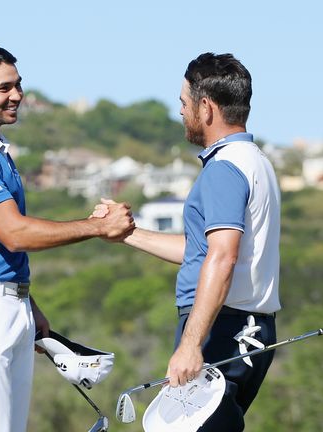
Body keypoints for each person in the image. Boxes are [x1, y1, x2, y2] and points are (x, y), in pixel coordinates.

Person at [0, 43, 134, 432]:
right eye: (5, 88)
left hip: (7, 304)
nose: (18, 95)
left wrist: (28, 302)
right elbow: (15, 233)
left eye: (18, 85)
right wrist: (97, 227)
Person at [97, 52, 281, 431]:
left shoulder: (225, 168)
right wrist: (127, 233)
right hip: (245, 326)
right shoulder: (253, 159)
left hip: (224, 328)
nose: (181, 112)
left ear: (206, 107)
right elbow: (201, 250)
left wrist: (191, 344)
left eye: (184, 103)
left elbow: (223, 258)